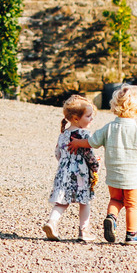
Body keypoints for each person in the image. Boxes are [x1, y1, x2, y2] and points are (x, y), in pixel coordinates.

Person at [69, 83, 137, 246]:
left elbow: (92, 142)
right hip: (132, 179)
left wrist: (77, 142)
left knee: (116, 200)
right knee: (132, 205)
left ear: (115, 106)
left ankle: (111, 218)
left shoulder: (109, 128)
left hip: (113, 176)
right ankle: (131, 235)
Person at [44, 96, 99, 242]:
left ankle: (52, 222)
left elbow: (57, 153)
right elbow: (88, 154)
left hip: (63, 172)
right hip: (80, 174)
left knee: (62, 202)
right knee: (84, 201)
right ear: (75, 118)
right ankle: (84, 231)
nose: (91, 119)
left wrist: (65, 163)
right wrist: (95, 166)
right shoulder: (84, 135)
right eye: (88, 116)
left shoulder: (63, 134)